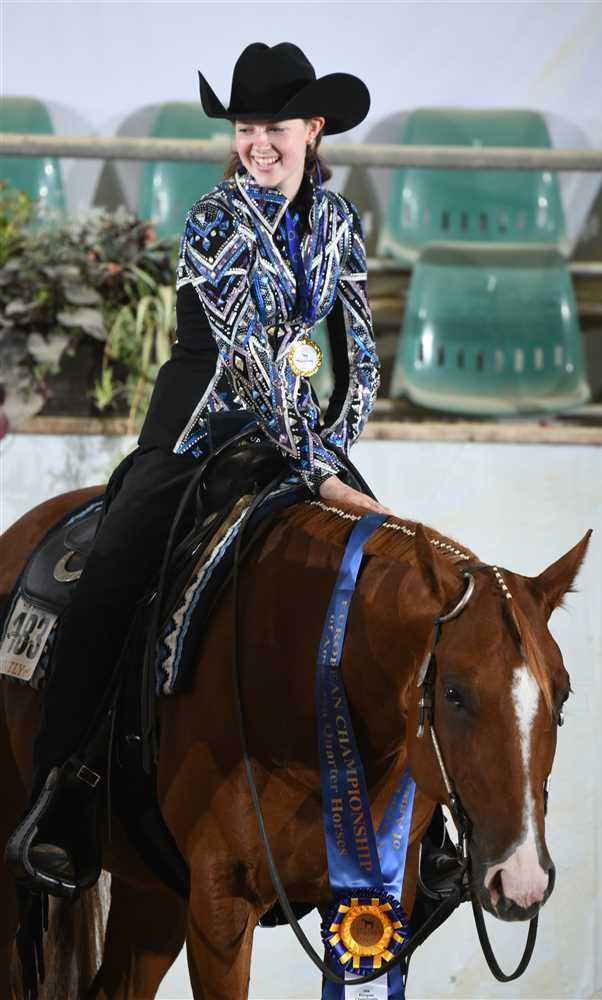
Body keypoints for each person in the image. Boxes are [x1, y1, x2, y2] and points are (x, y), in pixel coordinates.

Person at [5, 41, 390, 897]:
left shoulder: (339, 222)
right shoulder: (217, 216)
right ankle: (61, 796)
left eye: (275, 127)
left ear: (313, 128)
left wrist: (337, 445)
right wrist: (318, 466)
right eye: (246, 127)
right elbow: (248, 357)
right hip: (193, 436)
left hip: (298, 438)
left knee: (386, 574)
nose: (258, 143)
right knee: (110, 581)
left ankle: (404, 819)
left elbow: (359, 351)